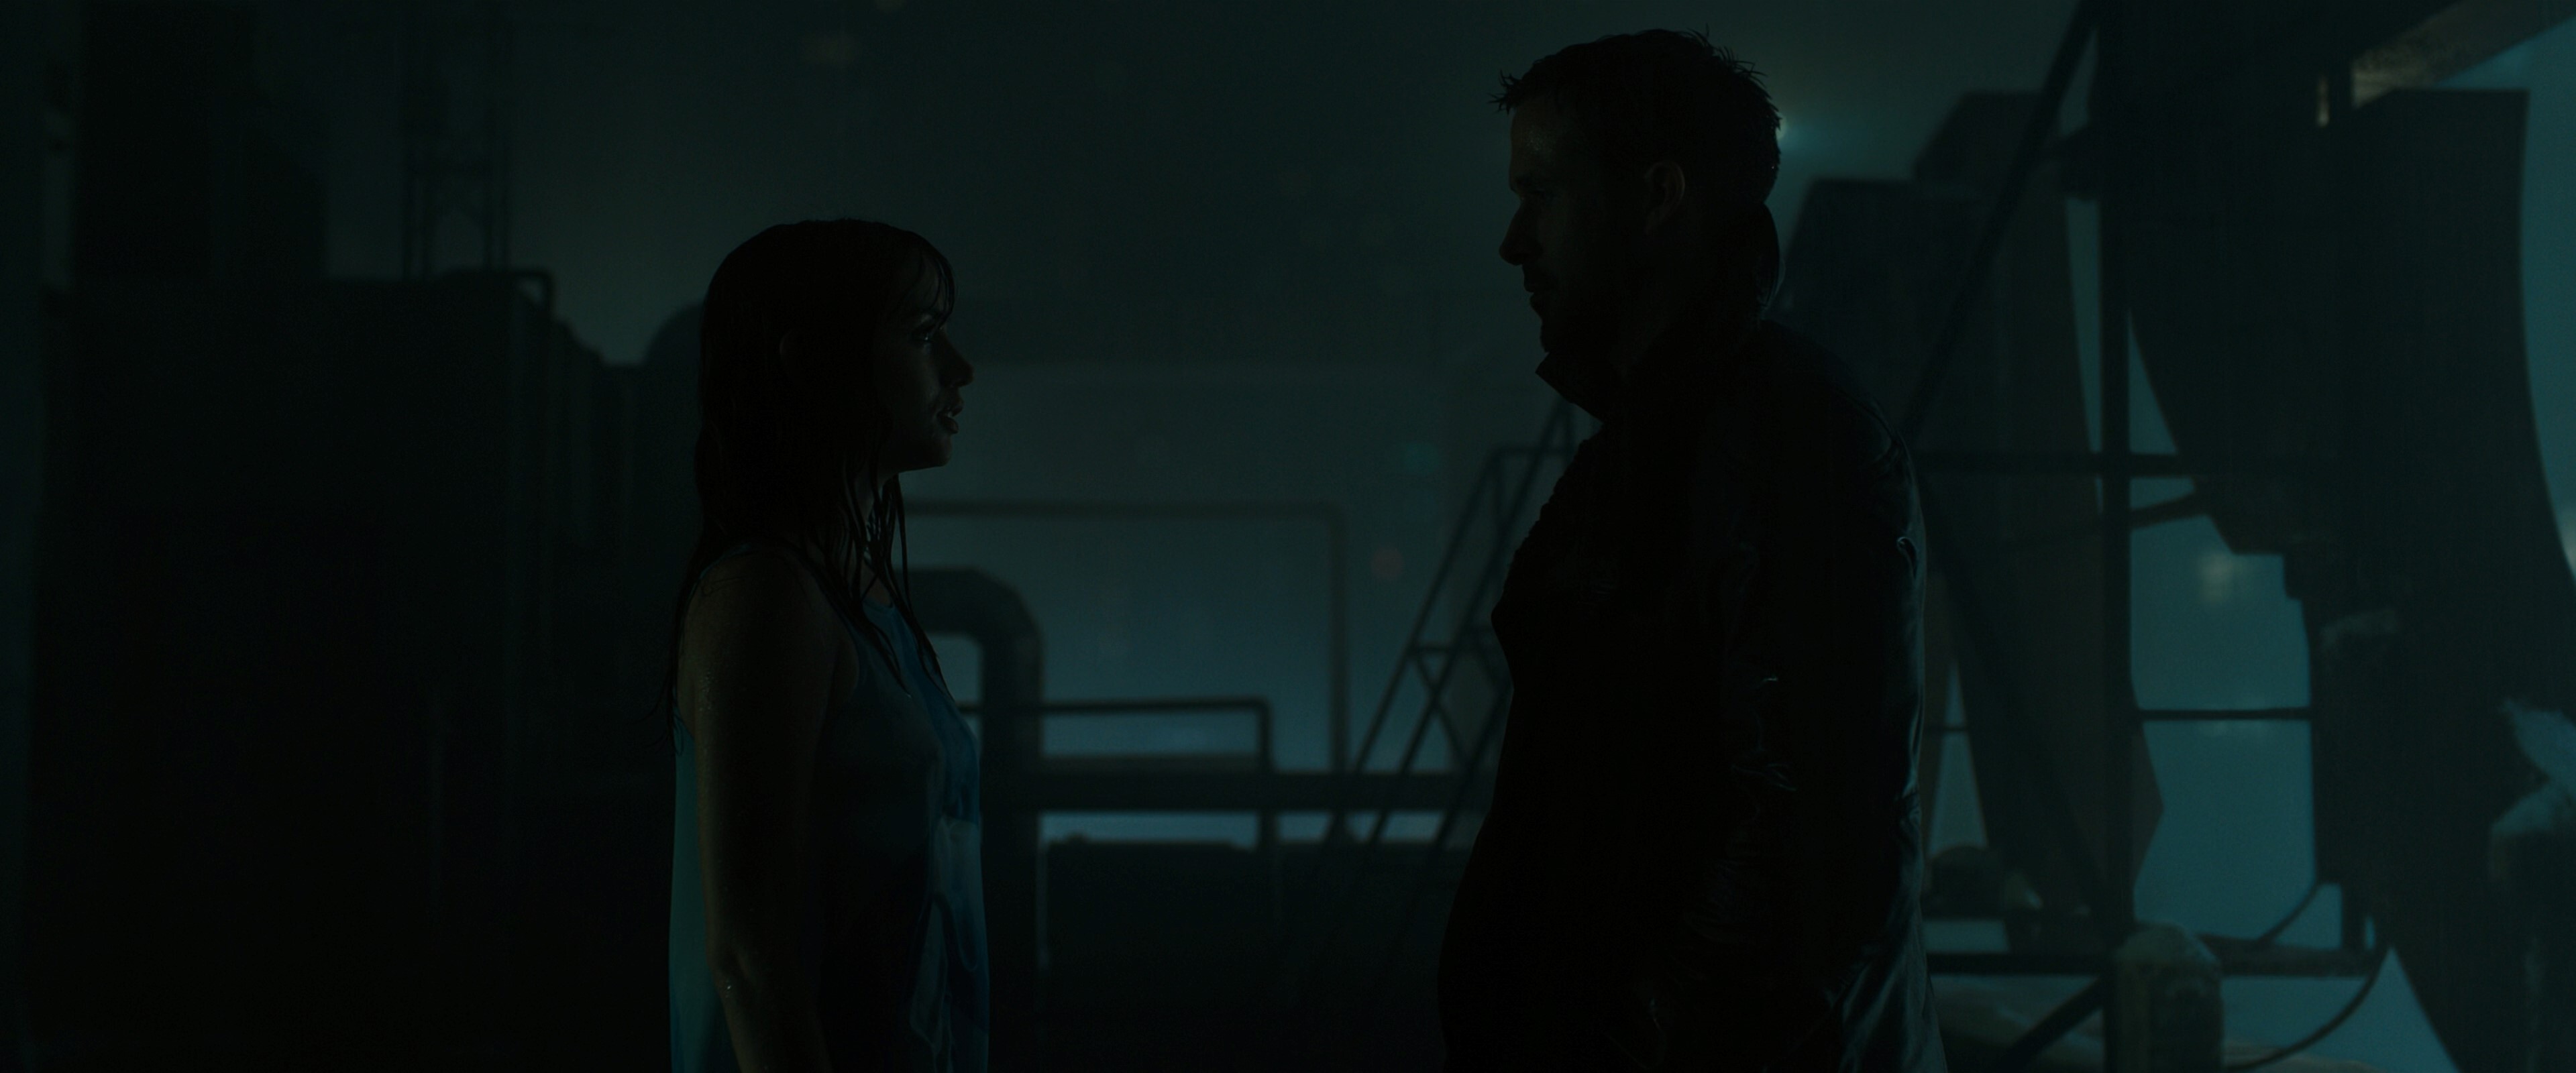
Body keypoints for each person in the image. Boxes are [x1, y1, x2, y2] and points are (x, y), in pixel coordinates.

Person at [1437, 31, 1943, 1072]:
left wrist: (1625, 1045)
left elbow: (1810, 854)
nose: (1514, 242)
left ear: (1658, 196)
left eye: (1543, 195)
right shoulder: (1660, 451)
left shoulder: (1788, 446)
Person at [665, 219, 983, 1072]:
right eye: (923, 334)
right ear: (812, 362)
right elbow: (750, 958)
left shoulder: (854, 600)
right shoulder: (767, 599)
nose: (960, 369)